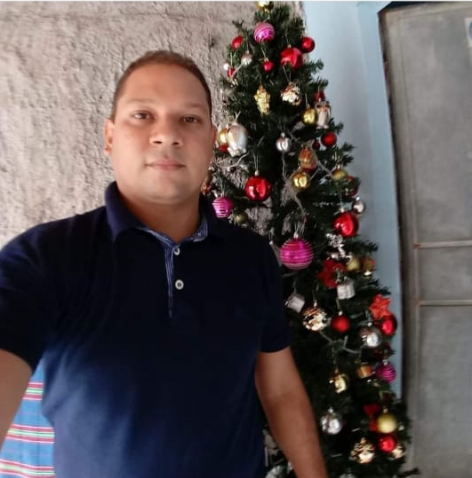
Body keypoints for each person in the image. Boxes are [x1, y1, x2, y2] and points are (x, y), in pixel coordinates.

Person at [0, 50, 328, 478]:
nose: (167, 135)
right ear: (110, 137)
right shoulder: (44, 258)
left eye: (189, 119)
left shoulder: (251, 257)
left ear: (212, 141)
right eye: (142, 115)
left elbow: (280, 390)